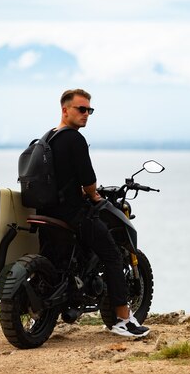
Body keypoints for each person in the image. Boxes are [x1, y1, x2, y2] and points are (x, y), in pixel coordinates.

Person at [39, 88, 150, 338]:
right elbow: (88, 179)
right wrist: (93, 195)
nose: (86, 114)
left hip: (47, 211)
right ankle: (123, 319)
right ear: (65, 109)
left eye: (89, 110)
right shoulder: (74, 139)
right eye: (81, 109)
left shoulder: (48, 138)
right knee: (111, 255)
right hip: (72, 212)